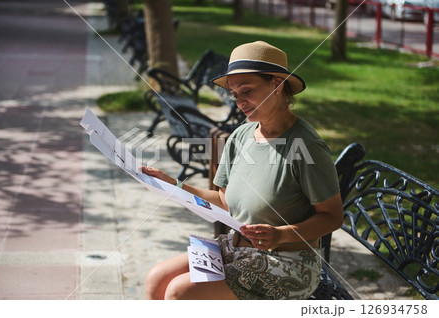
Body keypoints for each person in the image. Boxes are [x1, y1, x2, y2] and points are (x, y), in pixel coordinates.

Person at [143, 41, 343, 300]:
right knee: (157, 278)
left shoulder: (307, 146)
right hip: (236, 248)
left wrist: (279, 235)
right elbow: (225, 201)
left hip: (288, 262)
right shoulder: (241, 136)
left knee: (180, 292)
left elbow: (332, 217)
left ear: (277, 85)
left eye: (247, 91)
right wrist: (174, 185)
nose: (240, 102)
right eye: (235, 94)